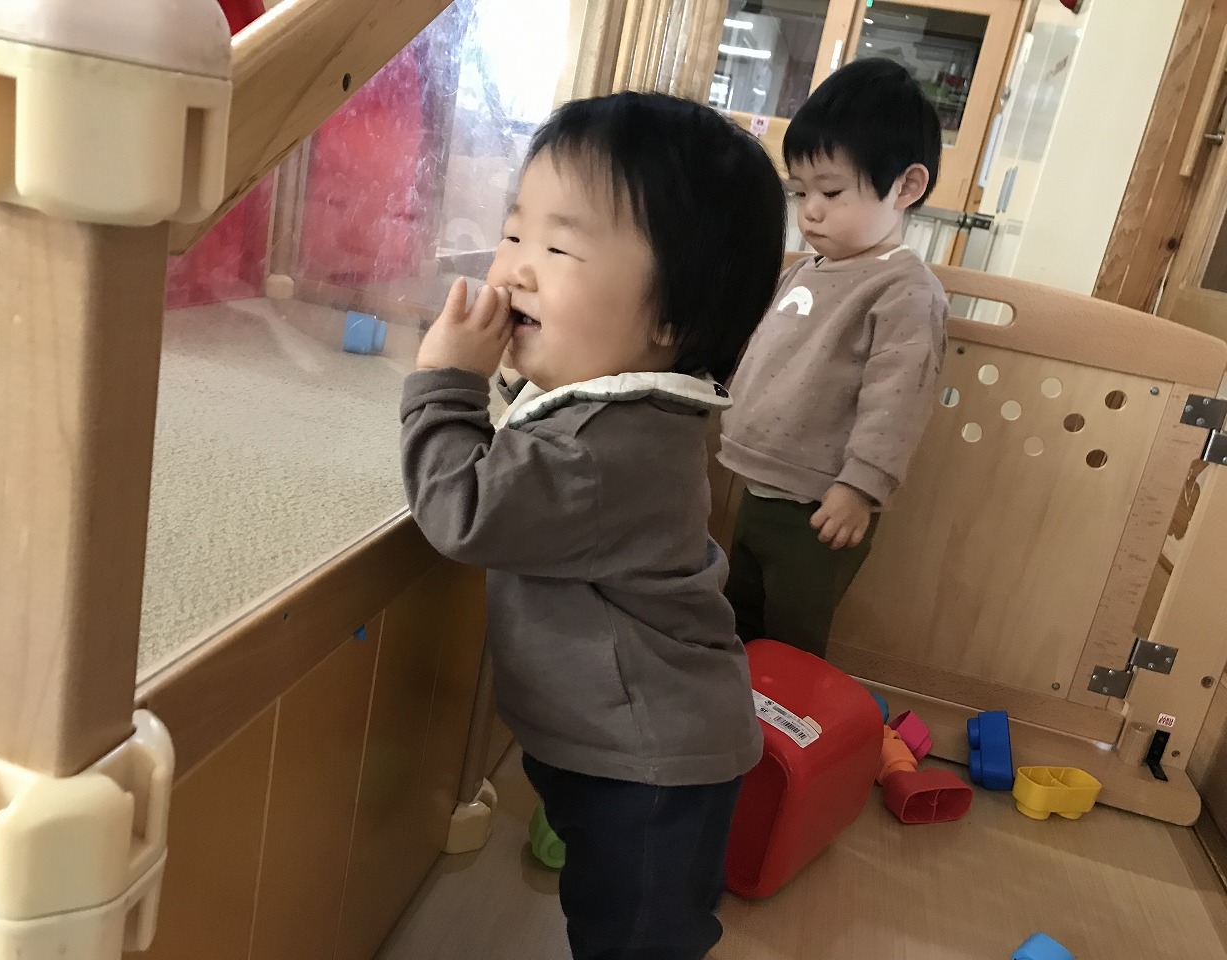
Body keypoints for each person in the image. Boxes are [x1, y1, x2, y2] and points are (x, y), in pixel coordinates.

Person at [399, 91, 785, 960]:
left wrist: (443, 387)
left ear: (672, 319)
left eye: (559, 246)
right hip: (627, 748)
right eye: (514, 232)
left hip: (648, 767)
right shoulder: (618, 412)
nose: (515, 269)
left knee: (633, 940)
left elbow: (462, 510)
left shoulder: (605, 448)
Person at [718, 57, 949, 659]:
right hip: (759, 488)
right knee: (738, 621)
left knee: (793, 640)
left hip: (821, 509)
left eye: (831, 191)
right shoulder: (804, 270)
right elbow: (759, 350)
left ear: (906, 187)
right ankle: (739, 711)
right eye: (801, 192)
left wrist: (860, 487)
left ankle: (789, 715)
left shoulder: (903, 289)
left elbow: (897, 400)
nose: (810, 211)